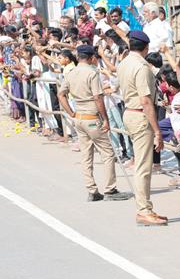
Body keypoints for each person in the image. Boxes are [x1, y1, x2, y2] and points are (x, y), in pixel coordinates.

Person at [58, 45, 131, 202]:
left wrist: (71, 113)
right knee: (108, 153)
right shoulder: (92, 73)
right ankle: (110, 189)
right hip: (92, 117)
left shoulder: (71, 73)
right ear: (91, 58)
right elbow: (98, 98)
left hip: (79, 117)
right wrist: (105, 119)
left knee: (86, 155)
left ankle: (92, 190)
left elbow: (61, 94)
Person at [116, 30, 167, 226]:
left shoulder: (125, 63)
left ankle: (146, 208)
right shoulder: (141, 67)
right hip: (140, 114)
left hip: (130, 111)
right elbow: (146, 101)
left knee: (141, 164)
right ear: (146, 47)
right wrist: (157, 131)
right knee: (144, 167)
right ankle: (144, 210)